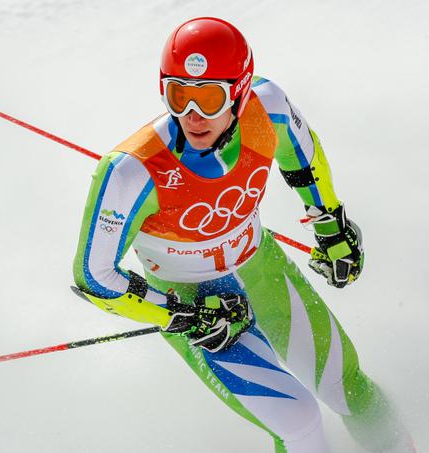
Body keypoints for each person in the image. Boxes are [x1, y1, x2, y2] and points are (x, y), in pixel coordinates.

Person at [72, 17, 413, 453]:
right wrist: (183, 315)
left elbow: (302, 156)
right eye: (179, 95)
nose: (192, 116)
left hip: (260, 267)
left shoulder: (267, 106)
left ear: (240, 89)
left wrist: (331, 225)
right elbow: (93, 275)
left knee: (348, 387)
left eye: (209, 98)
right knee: (299, 419)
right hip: (195, 301)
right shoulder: (128, 171)